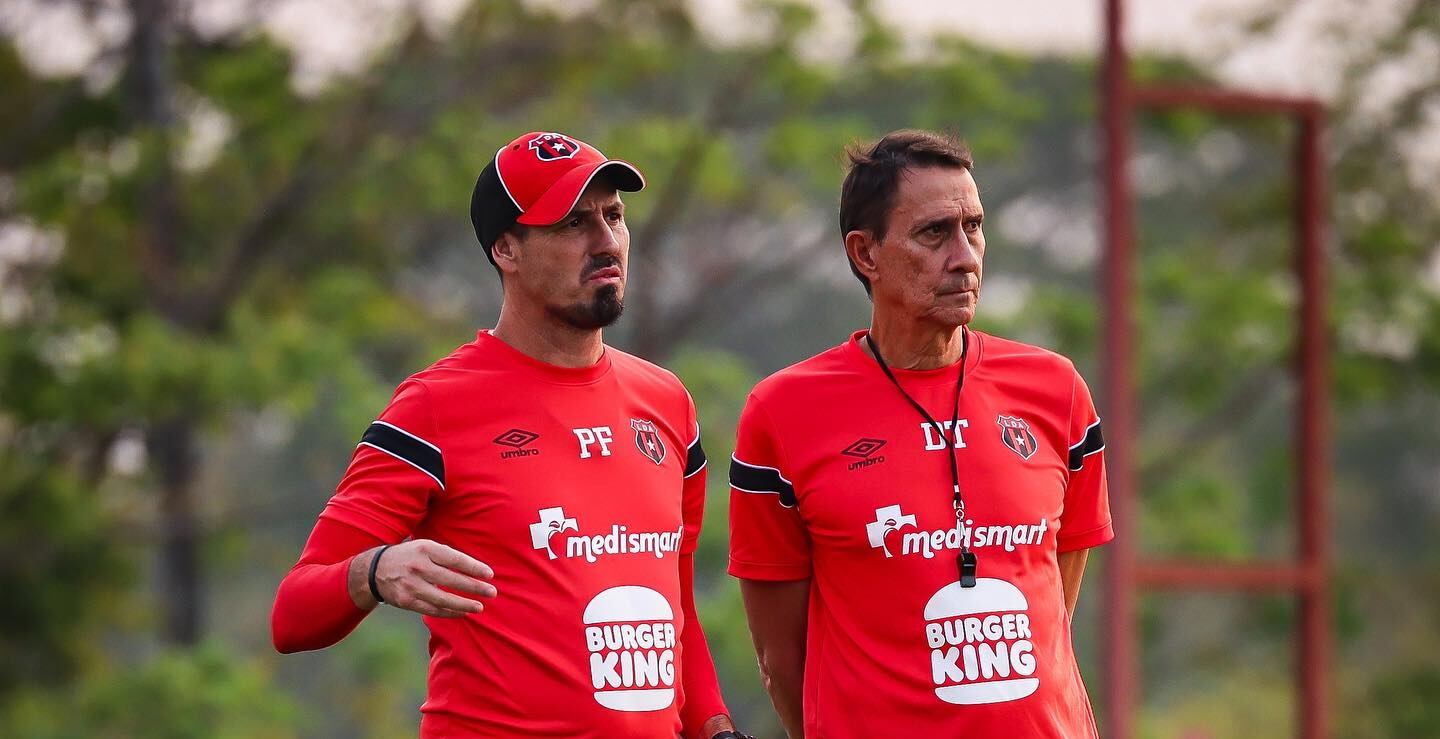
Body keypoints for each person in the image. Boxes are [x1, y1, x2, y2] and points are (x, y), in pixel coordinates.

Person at [272, 131, 750, 739]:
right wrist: (376, 571)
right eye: (572, 224)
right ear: (507, 250)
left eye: (614, 216)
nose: (606, 242)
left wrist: (716, 727)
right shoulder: (434, 407)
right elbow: (292, 617)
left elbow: (677, 615)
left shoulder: (666, 403)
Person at [727, 129, 1112, 738]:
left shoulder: (1056, 391)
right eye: (935, 233)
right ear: (866, 254)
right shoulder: (782, 414)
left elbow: (1053, 613)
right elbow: (783, 663)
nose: (965, 256)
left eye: (974, 228)